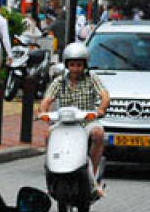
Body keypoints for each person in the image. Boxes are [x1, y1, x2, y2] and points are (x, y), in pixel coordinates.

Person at [39, 42, 111, 197]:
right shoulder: (59, 81)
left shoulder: (92, 79)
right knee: (47, 135)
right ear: (67, 65)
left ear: (84, 65)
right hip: (63, 123)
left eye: (79, 65)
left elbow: (104, 96)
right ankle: (51, 178)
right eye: (72, 65)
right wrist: (43, 112)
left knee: (98, 134)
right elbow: (47, 100)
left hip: (86, 122)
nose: (75, 69)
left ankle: (92, 177)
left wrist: (100, 109)